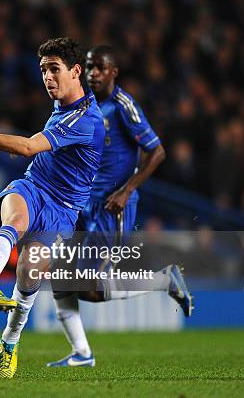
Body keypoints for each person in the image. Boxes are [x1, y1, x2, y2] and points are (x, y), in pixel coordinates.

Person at [0, 37, 105, 378]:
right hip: (33, 187)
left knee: (30, 269)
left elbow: (30, 146)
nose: (47, 77)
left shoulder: (86, 119)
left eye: (54, 69)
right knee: (15, 219)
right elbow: (41, 148)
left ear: (76, 71)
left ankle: (9, 341)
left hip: (62, 211)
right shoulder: (66, 105)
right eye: (43, 70)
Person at [46, 45, 193, 369]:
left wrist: (127, 190)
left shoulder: (123, 106)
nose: (94, 73)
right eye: (89, 66)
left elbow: (157, 152)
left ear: (114, 72)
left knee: (92, 289)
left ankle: (164, 281)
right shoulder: (80, 105)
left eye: (100, 67)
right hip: (82, 204)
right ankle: (82, 353)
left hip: (113, 207)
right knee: (59, 274)